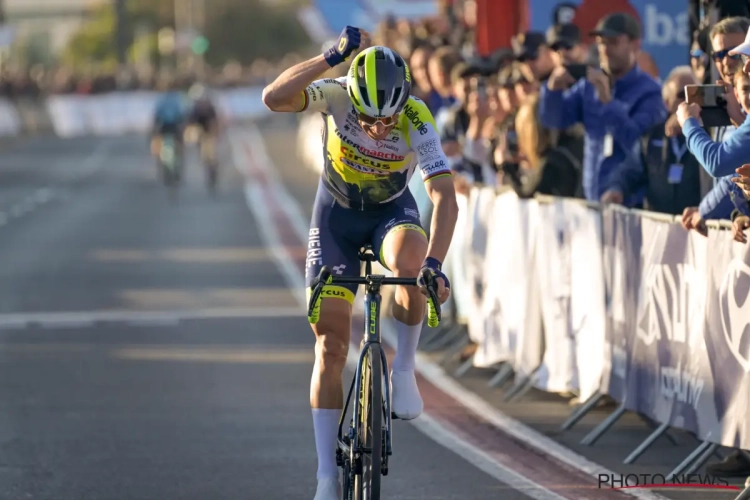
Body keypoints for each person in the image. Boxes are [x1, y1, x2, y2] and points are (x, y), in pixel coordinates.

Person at [261, 26, 458, 500]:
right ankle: (326, 476)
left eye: (388, 121)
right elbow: (274, 97)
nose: (379, 129)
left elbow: (444, 196)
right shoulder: (336, 92)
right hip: (337, 216)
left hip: (391, 213)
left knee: (411, 265)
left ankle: (405, 366)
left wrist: (435, 263)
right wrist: (331, 55)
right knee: (330, 348)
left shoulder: (416, 117)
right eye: (370, 119)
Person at [539, 13, 667, 206]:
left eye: (613, 42)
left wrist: (608, 104)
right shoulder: (588, 87)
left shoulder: (651, 92)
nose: (605, 50)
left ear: (635, 45)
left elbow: (639, 143)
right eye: (601, 43)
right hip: (593, 203)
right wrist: (553, 91)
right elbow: (554, 121)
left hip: (631, 208)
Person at [151, 81, 189, 166]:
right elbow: (182, 114)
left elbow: (157, 114)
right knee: (180, 142)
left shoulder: (162, 99)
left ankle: (159, 161)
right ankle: (181, 159)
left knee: (157, 140)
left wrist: (154, 128)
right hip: (175, 125)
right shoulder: (178, 99)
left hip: (164, 126)